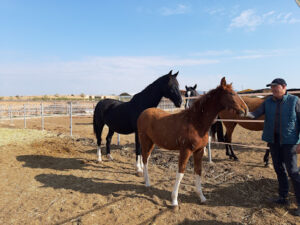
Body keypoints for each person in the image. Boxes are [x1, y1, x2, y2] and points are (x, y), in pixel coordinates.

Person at [247, 78, 300, 217]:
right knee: (279, 169)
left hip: (290, 142)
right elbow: (255, 114)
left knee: (293, 172)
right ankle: (283, 197)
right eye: (272, 88)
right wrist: (243, 113)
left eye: (275, 87)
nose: (273, 90)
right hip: (273, 141)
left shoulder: (294, 101)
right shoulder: (268, 102)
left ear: (284, 87)